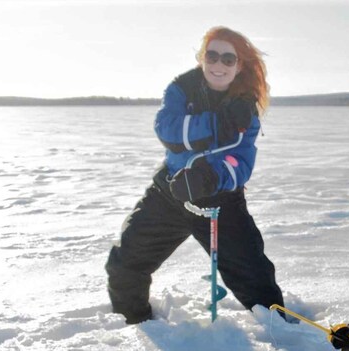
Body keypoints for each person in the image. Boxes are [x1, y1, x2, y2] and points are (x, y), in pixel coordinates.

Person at [106, 26, 284, 324]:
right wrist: (215, 124)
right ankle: (134, 326)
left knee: (256, 281)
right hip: (170, 193)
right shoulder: (182, 88)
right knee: (125, 265)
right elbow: (168, 130)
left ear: (239, 65)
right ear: (202, 58)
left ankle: (288, 338)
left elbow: (240, 160)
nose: (218, 65)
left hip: (219, 201)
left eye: (228, 59)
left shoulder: (244, 106)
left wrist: (210, 177)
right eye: (212, 56)